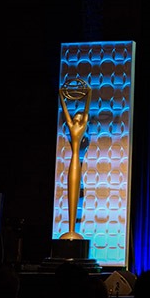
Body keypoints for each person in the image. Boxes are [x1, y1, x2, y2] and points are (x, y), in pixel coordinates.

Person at [59, 80, 92, 239]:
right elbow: (66, 112)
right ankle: (71, 229)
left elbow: (86, 111)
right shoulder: (73, 126)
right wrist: (61, 96)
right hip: (74, 160)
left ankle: (72, 229)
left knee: (77, 189)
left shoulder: (80, 126)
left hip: (76, 160)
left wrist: (89, 94)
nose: (77, 118)